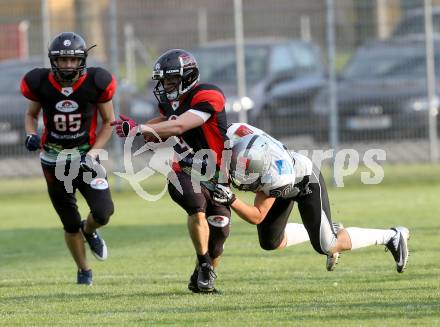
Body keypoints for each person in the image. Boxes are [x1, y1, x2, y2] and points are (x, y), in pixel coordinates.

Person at [211, 123, 410, 273]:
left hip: (305, 183)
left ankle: (392, 236)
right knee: (271, 242)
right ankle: (327, 228)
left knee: (327, 245)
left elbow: (257, 215)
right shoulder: (233, 134)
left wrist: (231, 199)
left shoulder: (277, 177)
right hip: (277, 178)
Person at [111, 49, 230, 293]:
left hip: (218, 172)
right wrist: (138, 128)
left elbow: (179, 124)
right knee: (196, 208)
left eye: (172, 80)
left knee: (220, 230)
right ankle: (206, 267)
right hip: (184, 168)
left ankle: (200, 274)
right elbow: (168, 117)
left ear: (188, 77)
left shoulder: (209, 95)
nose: (167, 85)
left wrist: (140, 129)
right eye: (164, 81)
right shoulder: (170, 102)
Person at [21, 32, 116, 285]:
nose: (67, 65)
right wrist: (31, 134)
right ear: (53, 61)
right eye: (62, 60)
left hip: (86, 157)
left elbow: (109, 122)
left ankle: (91, 229)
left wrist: (95, 152)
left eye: (73, 60)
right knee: (69, 221)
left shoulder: (97, 81)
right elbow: (31, 115)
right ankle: (84, 271)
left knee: (104, 212)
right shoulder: (39, 82)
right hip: (54, 159)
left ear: (82, 60)